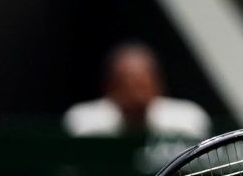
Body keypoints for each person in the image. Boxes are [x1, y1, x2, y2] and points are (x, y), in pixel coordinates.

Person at [63, 43, 210, 142]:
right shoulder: (82, 121)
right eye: (127, 86)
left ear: (159, 85)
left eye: (142, 86)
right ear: (109, 87)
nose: (137, 95)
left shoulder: (189, 119)